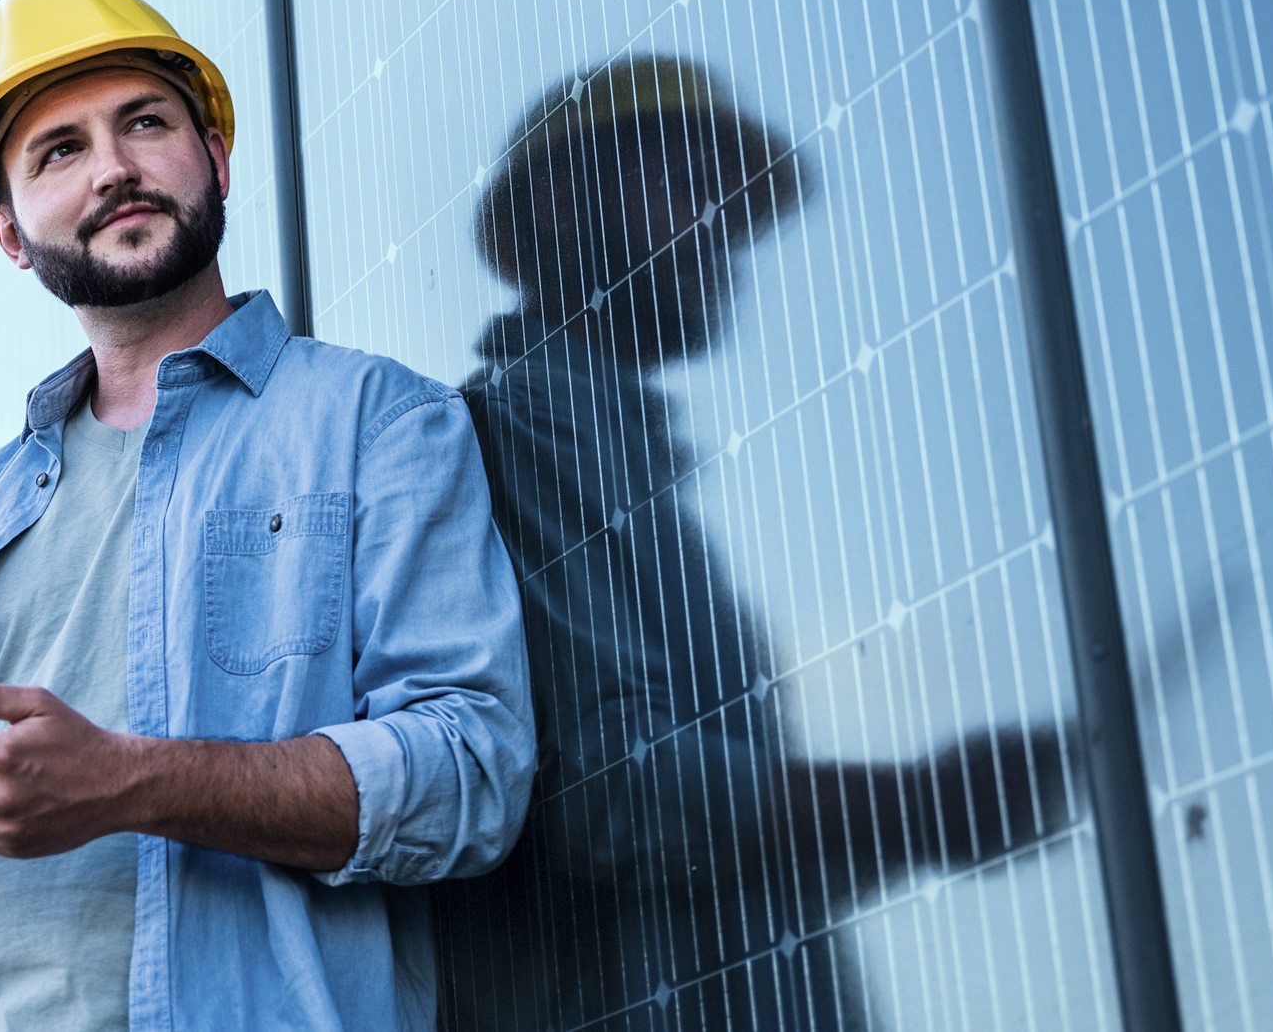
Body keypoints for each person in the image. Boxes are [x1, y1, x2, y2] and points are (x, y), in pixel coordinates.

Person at [0, 0, 535, 1032]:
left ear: (215, 158)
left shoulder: (378, 422)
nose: (114, 167)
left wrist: (129, 780)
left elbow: (473, 772)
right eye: (60, 150)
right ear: (9, 232)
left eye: (144, 122)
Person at [434, 57, 1070, 1031]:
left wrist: (930, 819)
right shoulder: (516, 434)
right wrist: (922, 801)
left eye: (735, 207)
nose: (724, 232)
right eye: (689, 186)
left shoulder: (627, 463)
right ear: (558, 201)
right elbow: (610, 790)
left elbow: (720, 865)